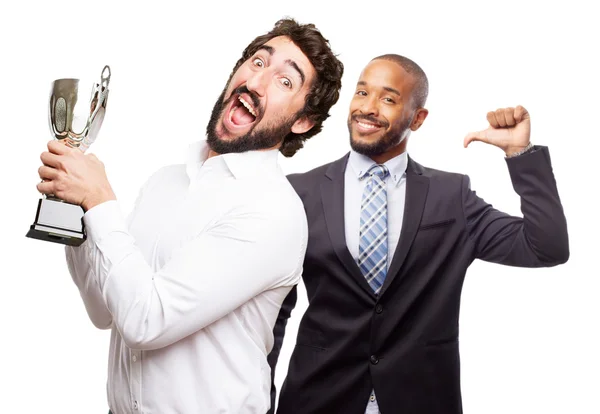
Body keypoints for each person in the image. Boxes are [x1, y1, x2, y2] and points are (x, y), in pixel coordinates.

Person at [35, 18, 344, 414]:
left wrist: (98, 200)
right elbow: (105, 311)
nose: (258, 81)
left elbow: (147, 322)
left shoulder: (272, 212)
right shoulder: (167, 180)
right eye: (258, 62)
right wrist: (77, 211)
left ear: (301, 122)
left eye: (286, 82)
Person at [268, 54, 569, 414]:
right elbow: (272, 313)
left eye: (388, 99)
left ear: (418, 117)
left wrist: (520, 153)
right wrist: (258, 400)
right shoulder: (301, 191)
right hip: (317, 399)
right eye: (362, 93)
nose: (368, 107)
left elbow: (546, 247)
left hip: (421, 399)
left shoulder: (451, 196)